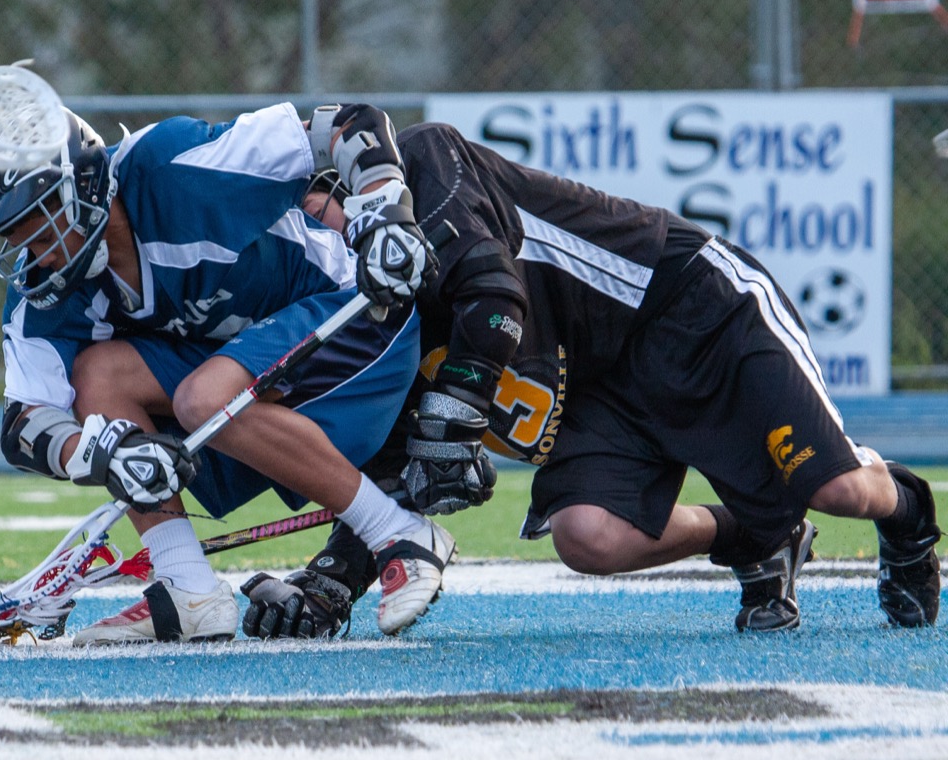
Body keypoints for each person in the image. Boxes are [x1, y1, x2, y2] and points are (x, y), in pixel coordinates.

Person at [242, 114, 940, 639]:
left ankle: (907, 512)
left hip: (690, 309)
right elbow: (400, 461)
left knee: (838, 489)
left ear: (342, 184)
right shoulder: (362, 308)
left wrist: (453, 420)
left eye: (318, 221)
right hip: (598, 388)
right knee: (587, 538)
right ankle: (755, 536)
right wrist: (332, 584)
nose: (323, 250)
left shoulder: (429, 163)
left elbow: (493, 296)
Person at [0, 101, 456, 644]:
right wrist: (102, 452)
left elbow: (347, 125)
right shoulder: (46, 294)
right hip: (251, 378)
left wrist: (385, 214)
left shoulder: (175, 167)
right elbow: (24, 423)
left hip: (355, 319)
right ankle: (188, 588)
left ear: (80, 191)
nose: (31, 256)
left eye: (35, 227)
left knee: (202, 399)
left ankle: (399, 532)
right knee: (98, 375)